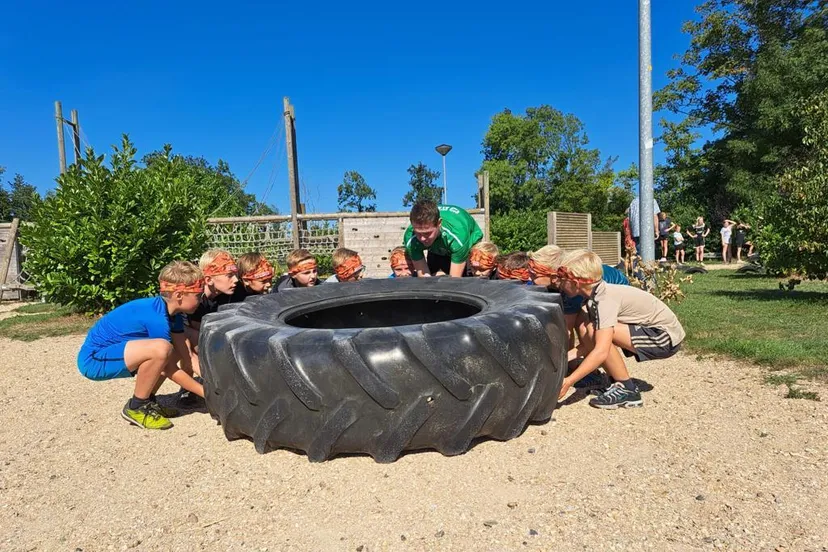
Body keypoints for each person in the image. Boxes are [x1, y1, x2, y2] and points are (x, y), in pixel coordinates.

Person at [76, 261, 205, 430]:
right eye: (198, 295)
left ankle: (148, 400)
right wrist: (206, 394)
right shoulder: (156, 318)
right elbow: (169, 369)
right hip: (94, 360)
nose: (201, 300)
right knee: (162, 350)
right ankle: (137, 406)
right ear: (179, 295)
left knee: (172, 351)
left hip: (114, 353)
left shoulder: (174, 314)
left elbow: (186, 355)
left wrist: (212, 384)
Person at [556, 250, 685, 409]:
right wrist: (561, 359)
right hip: (655, 332)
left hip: (665, 337)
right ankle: (617, 383)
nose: (560, 283)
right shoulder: (595, 297)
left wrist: (569, 381)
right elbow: (589, 345)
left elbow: (601, 350)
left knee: (598, 333)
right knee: (594, 331)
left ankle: (627, 389)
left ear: (576, 282)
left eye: (563, 279)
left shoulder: (604, 300)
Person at [403, 200, 484, 277]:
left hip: (467, 239)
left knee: (466, 278)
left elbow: (454, 280)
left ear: (439, 223)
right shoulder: (410, 238)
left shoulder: (458, 236)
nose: (422, 238)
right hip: (437, 245)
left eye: (427, 233)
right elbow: (424, 277)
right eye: (418, 233)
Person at [187, 249, 240, 331]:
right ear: (209, 280)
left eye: (236, 274)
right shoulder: (196, 301)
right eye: (229, 275)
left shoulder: (232, 293)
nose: (236, 279)